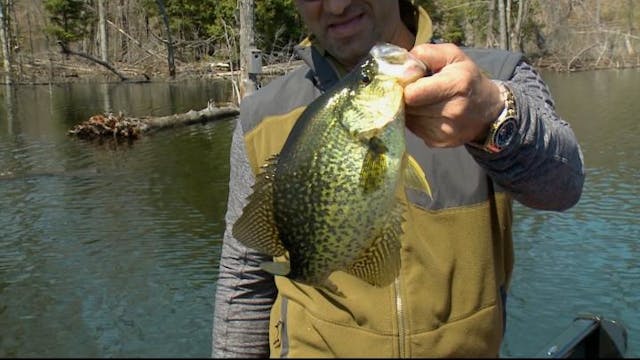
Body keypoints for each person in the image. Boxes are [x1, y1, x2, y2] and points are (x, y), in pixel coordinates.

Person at [212, 0, 585, 357]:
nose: (338, 5)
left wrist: (494, 114)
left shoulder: (494, 77)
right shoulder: (262, 115)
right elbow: (244, 285)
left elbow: (564, 187)